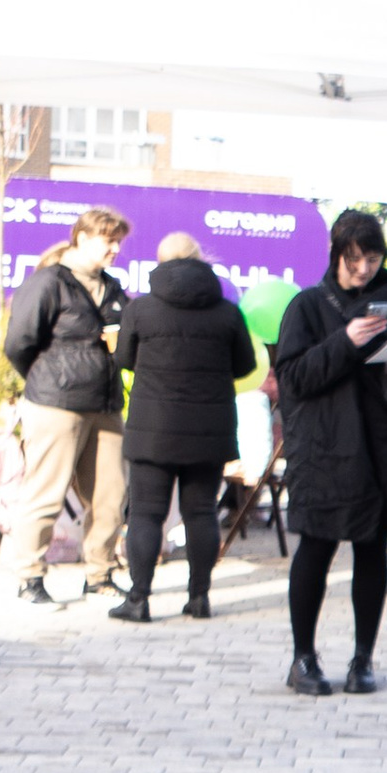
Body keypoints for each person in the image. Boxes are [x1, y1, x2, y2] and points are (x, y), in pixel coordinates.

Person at [273, 212, 387, 696]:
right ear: (336, 255)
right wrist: (345, 343)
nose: (365, 268)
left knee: (372, 549)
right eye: (355, 259)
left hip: (382, 450)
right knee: (316, 548)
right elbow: (293, 379)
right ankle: (303, 658)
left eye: (373, 258)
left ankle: (362, 659)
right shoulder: (307, 306)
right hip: (325, 450)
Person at [107, 234, 258, 627]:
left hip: (153, 428)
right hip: (209, 429)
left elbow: (124, 359)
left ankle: (138, 600)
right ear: (200, 260)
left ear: (160, 262)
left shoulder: (141, 309)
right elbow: (244, 365)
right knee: (201, 512)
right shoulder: (227, 312)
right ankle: (199, 597)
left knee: (146, 513)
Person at [0, 207, 131, 605]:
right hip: (55, 404)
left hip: (106, 404)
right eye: (109, 240)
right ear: (83, 238)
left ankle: (99, 575)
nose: (115, 249)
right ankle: (29, 579)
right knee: (45, 493)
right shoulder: (49, 282)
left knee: (110, 496)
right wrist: (48, 378)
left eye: (119, 242)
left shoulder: (113, 288)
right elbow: (18, 343)